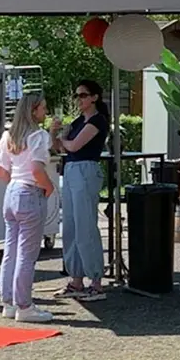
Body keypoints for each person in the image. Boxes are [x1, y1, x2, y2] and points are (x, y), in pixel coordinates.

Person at [0, 93, 54, 322]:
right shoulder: (39, 136)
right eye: (43, 108)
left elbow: (0, 171)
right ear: (33, 111)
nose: (45, 112)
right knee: (27, 255)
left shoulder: (8, 136)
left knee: (11, 250)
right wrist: (48, 187)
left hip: (12, 191)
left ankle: (8, 302)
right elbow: (37, 170)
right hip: (29, 191)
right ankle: (24, 306)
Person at [50, 79, 109, 301]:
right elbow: (58, 147)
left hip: (85, 169)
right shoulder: (77, 121)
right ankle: (76, 279)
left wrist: (62, 138)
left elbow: (74, 146)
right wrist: (53, 133)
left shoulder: (97, 121)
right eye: (77, 96)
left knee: (86, 227)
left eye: (83, 95)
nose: (79, 100)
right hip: (72, 169)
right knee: (71, 227)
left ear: (94, 97)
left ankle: (96, 282)